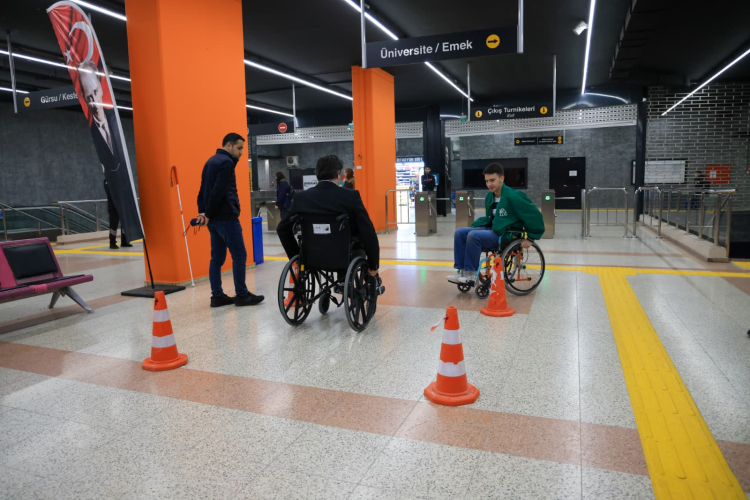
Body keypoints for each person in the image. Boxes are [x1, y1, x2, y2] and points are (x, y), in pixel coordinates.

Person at [277, 154, 380, 280]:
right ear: (338, 174)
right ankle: (348, 282)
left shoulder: (301, 198)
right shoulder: (351, 196)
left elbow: (282, 228)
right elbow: (367, 230)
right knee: (359, 241)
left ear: (317, 174)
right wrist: (374, 264)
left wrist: (296, 255)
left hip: (311, 256)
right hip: (344, 255)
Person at [196, 133, 264, 308]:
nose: (241, 152)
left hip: (214, 221)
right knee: (239, 255)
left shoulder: (210, 161)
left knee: (216, 258)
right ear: (228, 145)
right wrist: (208, 213)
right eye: (239, 148)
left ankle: (217, 296)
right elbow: (218, 192)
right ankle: (242, 294)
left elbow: (202, 191)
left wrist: (203, 212)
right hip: (226, 217)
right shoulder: (226, 162)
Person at [448, 163, 545, 285]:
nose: (489, 184)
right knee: (460, 232)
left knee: (474, 236)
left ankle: (471, 275)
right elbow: (491, 218)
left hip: (506, 234)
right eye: (487, 181)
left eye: (492, 180)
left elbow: (534, 215)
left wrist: (530, 238)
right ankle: (462, 272)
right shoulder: (490, 196)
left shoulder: (514, 196)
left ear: (502, 178)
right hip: (493, 229)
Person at [79, 61, 141, 241]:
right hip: (114, 199)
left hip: (123, 192)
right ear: (84, 98)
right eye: (88, 96)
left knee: (122, 219)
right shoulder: (93, 130)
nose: (94, 101)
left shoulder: (115, 122)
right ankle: (114, 241)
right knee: (115, 220)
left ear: (101, 89)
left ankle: (124, 240)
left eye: (95, 92)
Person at [103, 178, 131, 249]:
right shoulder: (107, 180)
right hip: (113, 206)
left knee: (124, 224)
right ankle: (112, 242)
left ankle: (124, 241)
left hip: (123, 205)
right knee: (113, 225)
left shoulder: (120, 179)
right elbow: (110, 191)